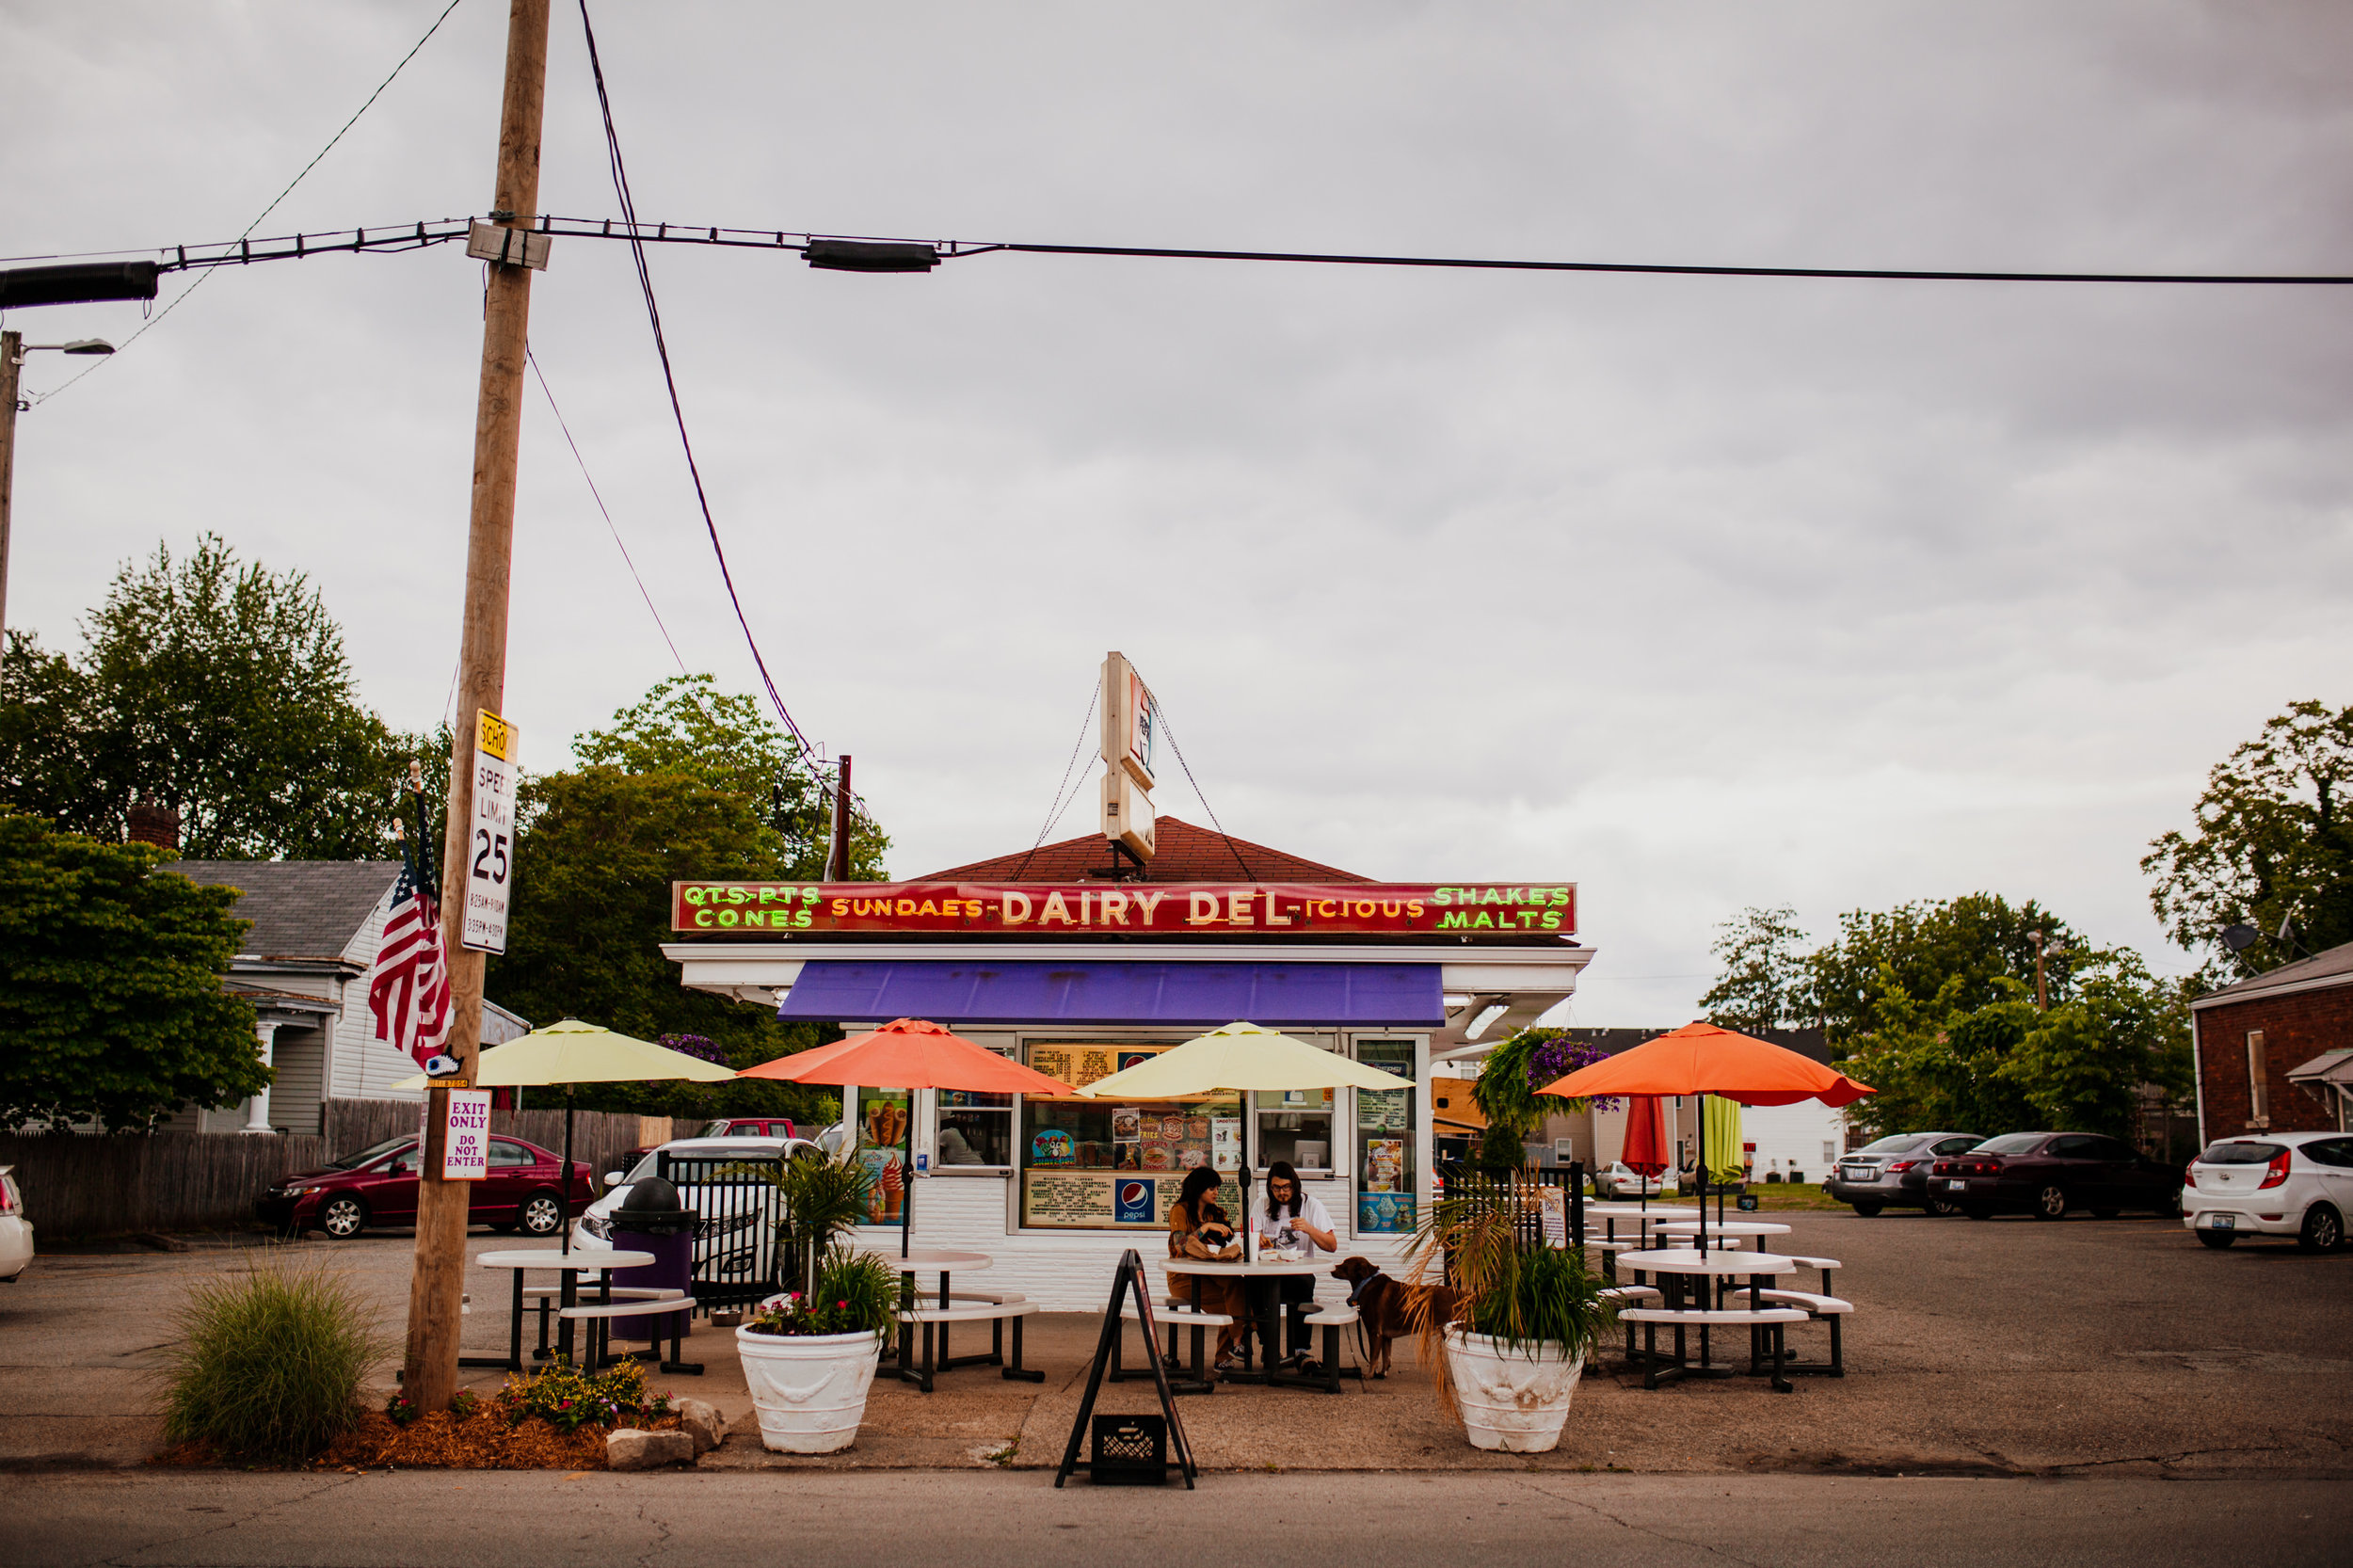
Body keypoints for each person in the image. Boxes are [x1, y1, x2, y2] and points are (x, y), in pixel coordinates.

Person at [1252, 1160, 1337, 1361]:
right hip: (1266, 1273)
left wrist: (1309, 1229)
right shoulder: (1261, 1204)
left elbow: (1332, 1245)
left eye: (1286, 1187)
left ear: (1295, 1185)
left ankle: (1300, 1350)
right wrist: (1258, 1242)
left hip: (1299, 1274)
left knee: (1304, 1285)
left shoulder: (1311, 1205)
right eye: (1276, 1188)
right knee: (1250, 1286)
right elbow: (1250, 1238)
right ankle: (1269, 1346)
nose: (1282, 1193)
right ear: (1269, 1188)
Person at [1166, 1165, 1249, 1370]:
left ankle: (1229, 1351)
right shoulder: (1180, 1210)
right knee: (1232, 1305)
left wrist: (1226, 1232)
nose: (1216, 1193)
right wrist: (1204, 1229)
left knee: (1237, 1284)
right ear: (1198, 1188)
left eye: (1217, 1189)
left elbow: (1226, 1241)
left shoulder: (1216, 1212)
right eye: (1211, 1188)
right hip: (1184, 1276)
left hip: (1212, 1272)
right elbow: (1180, 1245)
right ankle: (1234, 1345)